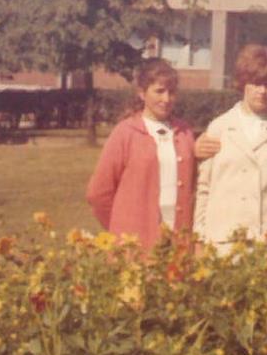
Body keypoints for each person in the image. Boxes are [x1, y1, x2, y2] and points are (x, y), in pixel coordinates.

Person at [193, 44, 267, 244]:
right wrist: (199, 239)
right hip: (222, 243)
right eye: (255, 83)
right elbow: (204, 189)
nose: (262, 91)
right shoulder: (220, 127)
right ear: (243, 83)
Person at [85, 58, 199, 249]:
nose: (166, 99)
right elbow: (98, 194)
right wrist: (120, 227)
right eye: (159, 91)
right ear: (142, 93)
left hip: (179, 240)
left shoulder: (185, 132)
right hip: (137, 243)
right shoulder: (125, 132)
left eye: (171, 92)